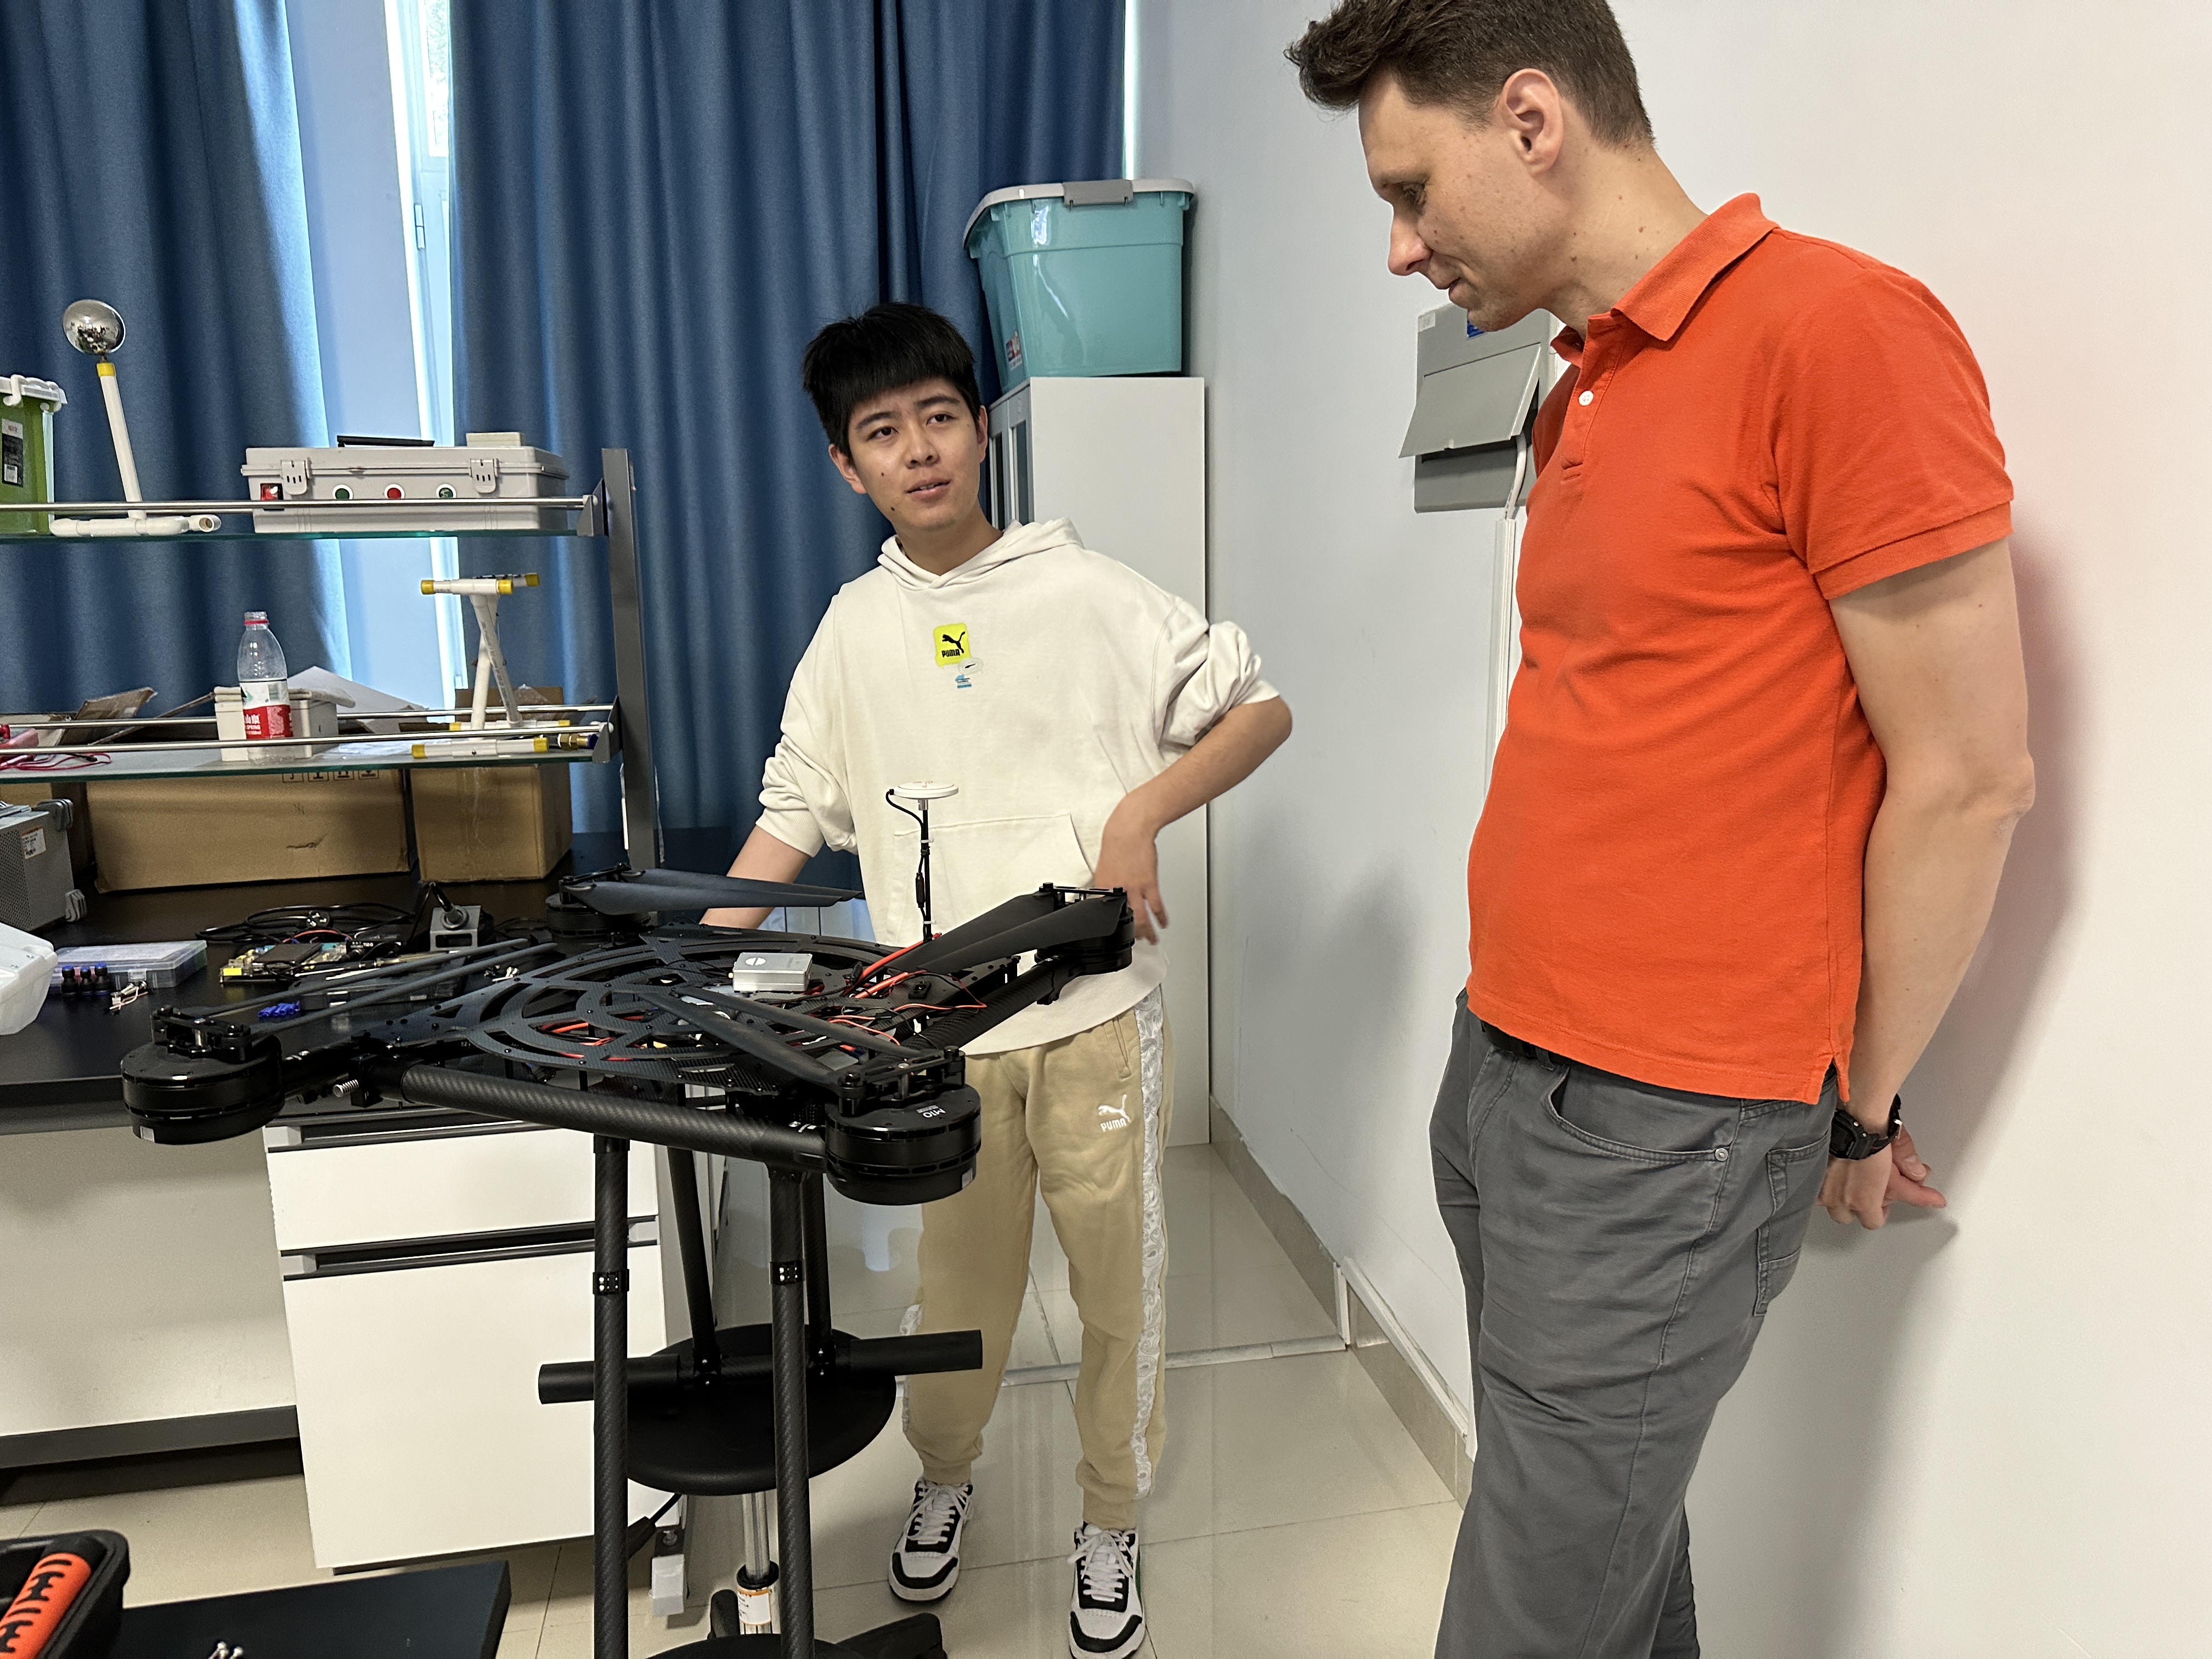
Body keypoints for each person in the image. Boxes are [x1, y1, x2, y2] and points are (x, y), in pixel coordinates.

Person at [1286, 3, 2034, 1655]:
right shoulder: (1585, 381)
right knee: (1602, 1562)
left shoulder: (1838, 332)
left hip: (1666, 1130)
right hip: (1507, 1068)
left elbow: (1969, 777)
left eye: (1412, 192)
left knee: (1531, 1611)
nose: (1401, 250)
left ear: (1532, 121)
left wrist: (1858, 1104)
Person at [702, 301, 1291, 1659]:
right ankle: (947, 1477)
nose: (918, 451)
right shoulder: (855, 629)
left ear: (981, 431)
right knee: (957, 1288)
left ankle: (1110, 1517)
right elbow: (793, 812)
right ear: (847, 465)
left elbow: (1258, 708)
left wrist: (1141, 810)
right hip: (939, 1036)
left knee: (1117, 1288)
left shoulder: (1086, 591)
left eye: (939, 418)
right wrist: (696, 964)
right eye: (882, 431)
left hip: (1094, 1020)